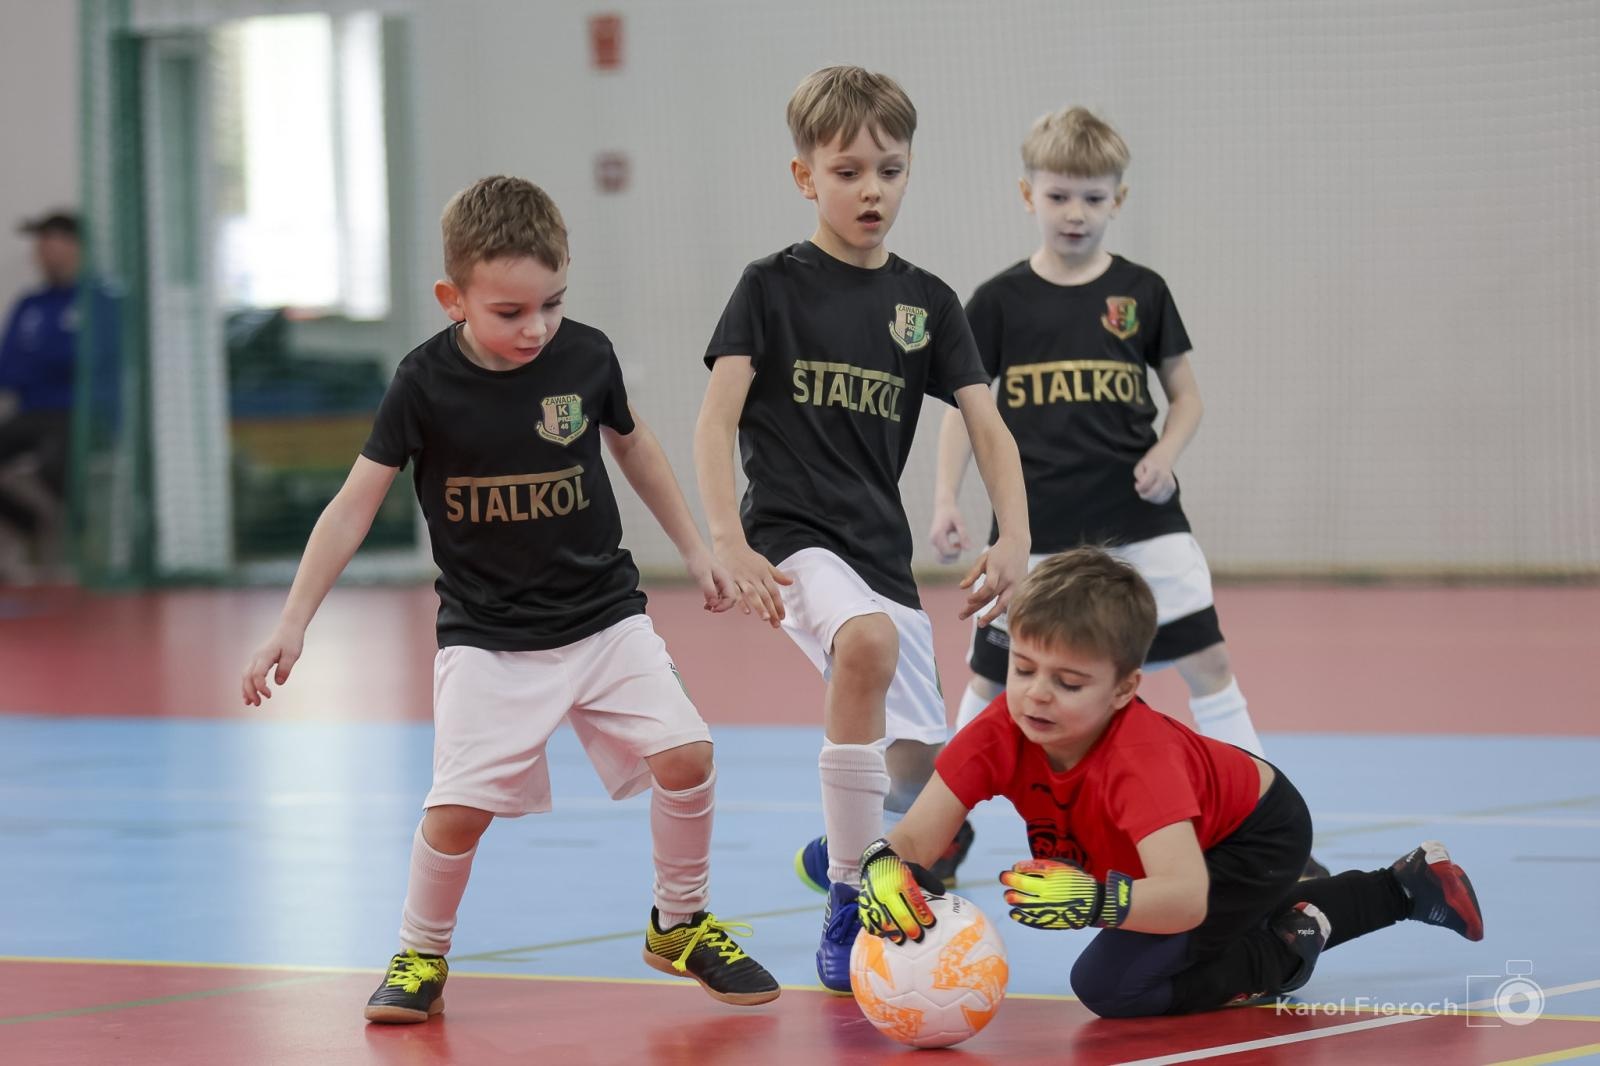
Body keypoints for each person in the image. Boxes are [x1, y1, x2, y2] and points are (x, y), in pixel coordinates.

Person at [241, 176, 779, 1023]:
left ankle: (679, 923)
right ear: (452, 299)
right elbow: (353, 507)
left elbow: (634, 452)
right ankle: (420, 952)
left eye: (551, 304)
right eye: (509, 312)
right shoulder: (422, 385)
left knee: (688, 756)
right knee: (457, 817)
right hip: (488, 638)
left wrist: (693, 549)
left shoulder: (585, 357)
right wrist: (293, 621)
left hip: (604, 618)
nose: (535, 329)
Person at [693, 65, 1030, 993]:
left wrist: (1015, 536)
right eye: (847, 171)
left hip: (880, 552)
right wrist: (728, 537)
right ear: (806, 178)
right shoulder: (770, 288)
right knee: (867, 644)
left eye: (889, 168)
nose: (870, 188)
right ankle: (847, 899)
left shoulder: (927, 302)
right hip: (795, 537)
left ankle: (839, 848)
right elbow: (715, 420)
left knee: (923, 772)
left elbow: (988, 424)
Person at [929, 106, 1326, 878]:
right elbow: (962, 411)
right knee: (990, 674)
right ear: (1027, 195)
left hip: (1140, 517)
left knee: (1207, 658)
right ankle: (943, 831)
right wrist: (946, 497)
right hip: (1032, 525)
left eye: (1093, 197)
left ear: (1119, 200)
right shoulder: (999, 301)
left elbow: (1188, 396)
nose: (1075, 213)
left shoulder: (1141, 292)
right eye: (1058, 196)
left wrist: (1168, 453)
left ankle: (1258, 824)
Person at [855, 548, 1484, 1017]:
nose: (1037, 695)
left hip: (1252, 836)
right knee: (1139, 946)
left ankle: (1298, 934)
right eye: (1022, 669)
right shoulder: (1002, 728)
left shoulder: (1138, 759)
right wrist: (884, 867)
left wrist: (1095, 902)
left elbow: (1184, 898)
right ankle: (1407, 881)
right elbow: (917, 835)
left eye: (1069, 682)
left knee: (1113, 987)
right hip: (1181, 845)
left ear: (1125, 689)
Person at [0, 211, 82, 572]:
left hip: (74, 414)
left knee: (55, 464)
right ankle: (29, 524)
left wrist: (45, 360)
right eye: (41, 244)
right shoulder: (29, 305)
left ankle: (67, 543)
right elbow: (9, 368)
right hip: (30, 411)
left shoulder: (98, 300)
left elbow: (86, 362)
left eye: (53, 242)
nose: (44, 251)